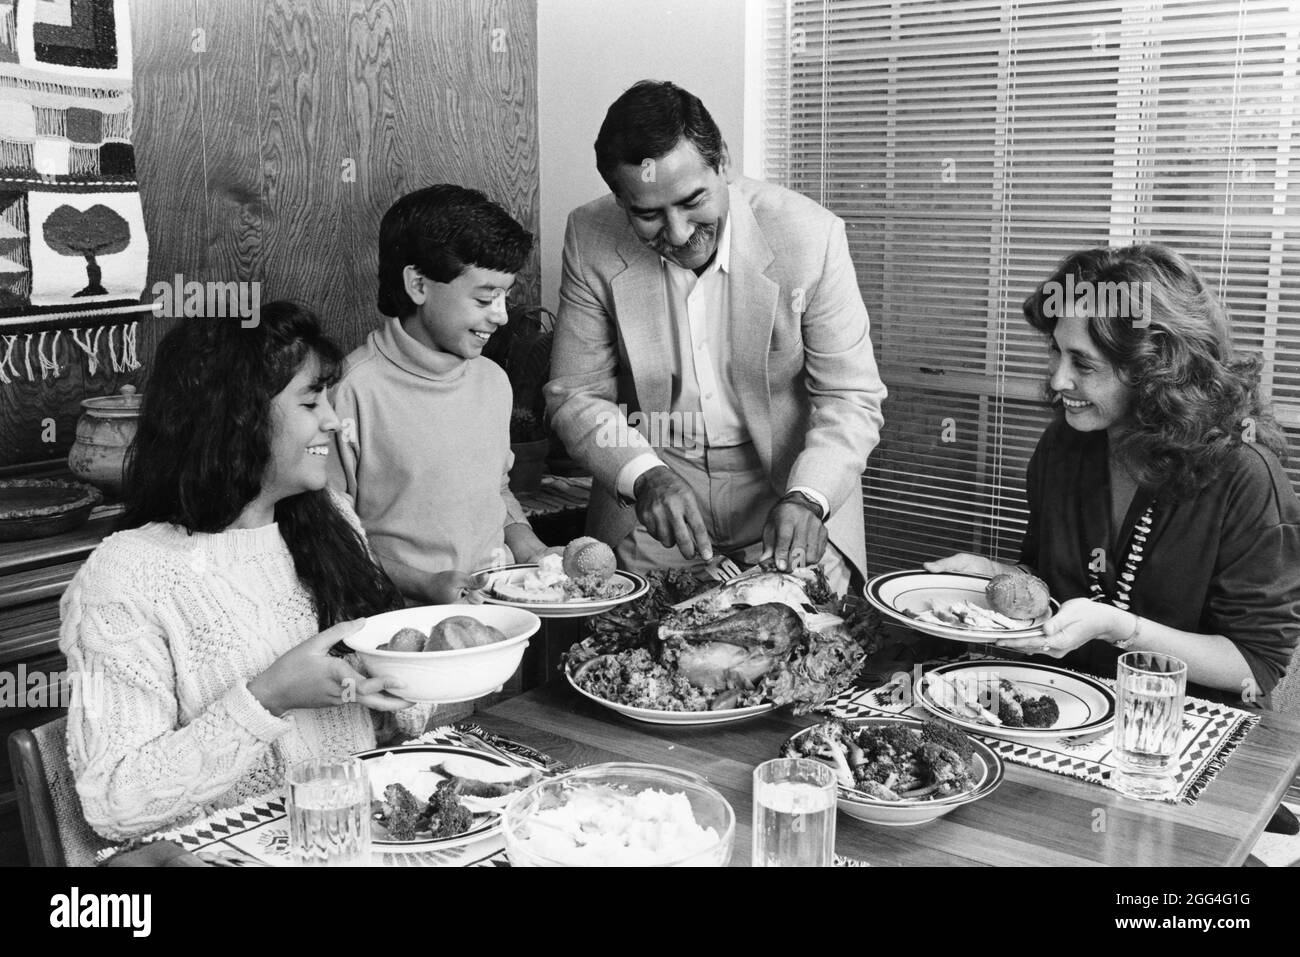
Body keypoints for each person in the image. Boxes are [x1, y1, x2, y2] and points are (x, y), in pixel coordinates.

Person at [60, 303, 412, 841]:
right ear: (238, 416)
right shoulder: (126, 575)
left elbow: (384, 726)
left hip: (357, 839)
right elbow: (114, 803)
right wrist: (269, 696)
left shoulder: (333, 521)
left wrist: (415, 678)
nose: (332, 420)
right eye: (311, 400)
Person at [545, 80, 886, 593]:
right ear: (619, 201)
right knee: (634, 658)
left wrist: (809, 498)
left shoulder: (810, 236)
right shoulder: (589, 234)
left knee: (807, 653)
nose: (678, 233)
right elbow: (576, 393)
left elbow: (850, 396)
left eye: (693, 200)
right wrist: (642, 476)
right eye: (648, 214)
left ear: (723, 161)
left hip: (786, 486)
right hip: (653, 487)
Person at [928, 244, 1300, 708]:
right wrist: (999, 575)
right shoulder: (1065, 444)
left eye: (1082, 363)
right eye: (1057, 353)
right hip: (1061, 704)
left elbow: (1255, 666)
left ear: (1155, 369)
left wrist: (1121, 629)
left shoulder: (1244, 475)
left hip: (1176, 727)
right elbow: (1051, 581)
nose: (1059, 380)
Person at [329, 185, 554, 605]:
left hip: (496, 615)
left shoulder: (492, 381)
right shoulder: (353, 391)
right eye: (486, 297)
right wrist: (422, 584)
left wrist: (531, 550)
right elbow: (331, 535)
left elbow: (496, 490)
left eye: (506, 296)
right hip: (397, 624)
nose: (502, 315)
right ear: (418, 284)